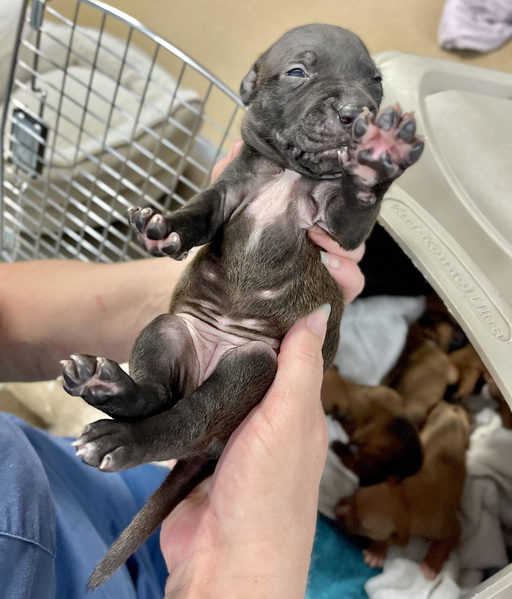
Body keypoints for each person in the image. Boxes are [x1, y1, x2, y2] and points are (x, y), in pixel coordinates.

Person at [0, 142, 365, 598]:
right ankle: (146, 429)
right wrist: (239, 569)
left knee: (176, 343)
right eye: (297, 73)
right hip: (186, 563)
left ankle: (141, 403)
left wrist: (196, 287)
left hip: (87, 483)